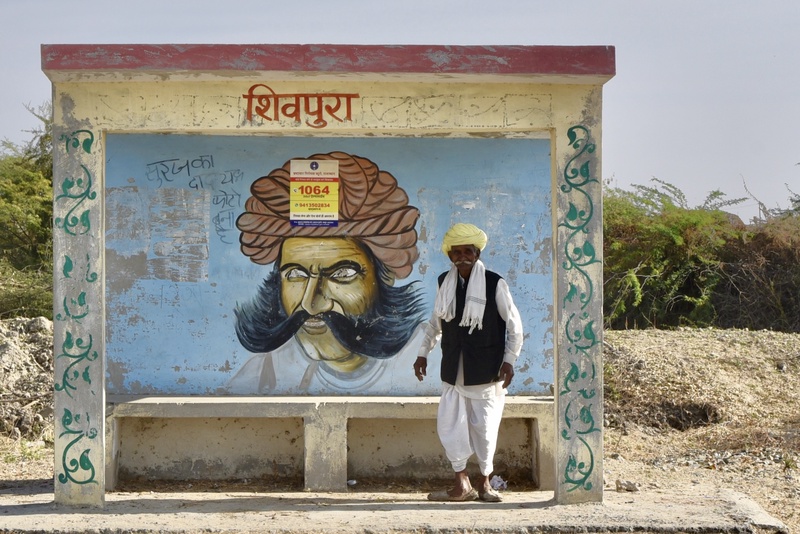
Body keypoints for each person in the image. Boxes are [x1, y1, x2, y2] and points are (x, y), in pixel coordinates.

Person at [229, 151, 427, 393]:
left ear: (383, 277)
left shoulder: (432, 356)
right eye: (295, 275)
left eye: (342, 274)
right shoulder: (264, 372)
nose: (312, 304)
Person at [413, 223, 523, 502]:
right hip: (453, 368)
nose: (462, 256)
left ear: (477, 253)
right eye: (456, 252)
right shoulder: (444, 282)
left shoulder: (494, 283)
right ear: (450, 256)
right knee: (450, 426)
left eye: (468, 251)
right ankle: (462, 484)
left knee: (484, 429)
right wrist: (423, 353)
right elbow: (435, 323)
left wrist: (509, 360)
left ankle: (485, 484)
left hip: (485, 370)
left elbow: (514, 325)